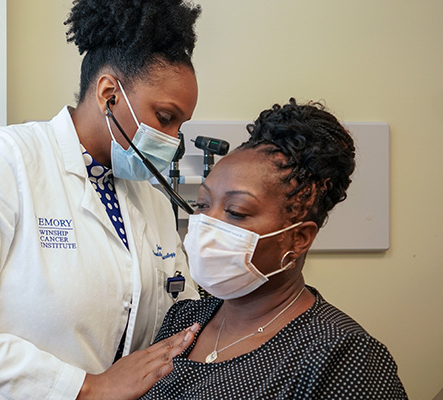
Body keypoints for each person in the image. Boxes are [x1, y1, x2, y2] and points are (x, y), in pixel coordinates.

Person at [0, 1, 203, 399]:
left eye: (181, 125)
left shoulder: (152, 200)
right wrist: (88, 388)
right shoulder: (0, 163)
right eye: (165, 117)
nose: (173, 139)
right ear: (109, 94)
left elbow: (175, 322)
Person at [141, 98, 408, 399]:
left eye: (237, 211)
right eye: (202, 204)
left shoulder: (342, 355)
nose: (206, 224)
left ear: (299, 239)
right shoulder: (185, 318)